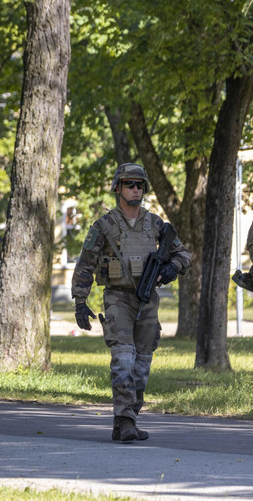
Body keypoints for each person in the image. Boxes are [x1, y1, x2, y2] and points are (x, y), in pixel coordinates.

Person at [72, 163, 191, 442]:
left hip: (148, 299)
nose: (135, 189)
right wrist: (80, 301)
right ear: (118, 188)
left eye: (140, 185)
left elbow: (184, 254)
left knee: (142, 363)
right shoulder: (104, 225)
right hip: (118, 298)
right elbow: (85, 265)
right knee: (124, 358)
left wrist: (173, 267)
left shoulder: (155, 224)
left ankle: (128, 418)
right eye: (129, 184)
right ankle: (125, 420)